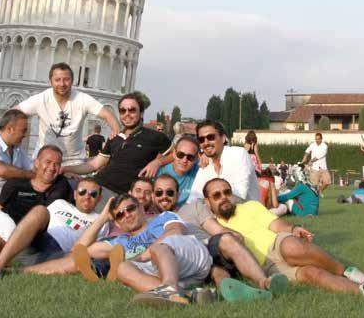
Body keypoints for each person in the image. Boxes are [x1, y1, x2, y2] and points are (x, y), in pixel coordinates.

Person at [203, 178, 364, 299]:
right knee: (311, 274)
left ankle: (349, 271)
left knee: (291, 247)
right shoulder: (210, 226)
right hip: (264, 266)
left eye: (227, 192)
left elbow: (276, 225)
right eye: (217, 195)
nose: (224, 197)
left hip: (278, 243)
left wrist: (293, 228)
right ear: (207, 201)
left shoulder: (250, 206)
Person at [152, 174, 288, 302]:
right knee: (217, 273)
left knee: (225, 242)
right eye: (159, 193)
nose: (164, 197)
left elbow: (218, 230)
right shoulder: (150, 225)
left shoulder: (191, 208)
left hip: (207, 249)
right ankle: (239, 293)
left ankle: (263, 283)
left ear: (178, 194)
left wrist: (235, 238)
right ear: (153, 196)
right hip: (186, 262)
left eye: (169, 193)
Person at [73, 194, 214, 306]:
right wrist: (102, 218)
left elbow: (176, 231)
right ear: (116, 223)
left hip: (188, 258)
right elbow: (82, 250)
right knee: (121, 268)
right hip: (164, 274)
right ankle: (188, 296)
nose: (126, 215)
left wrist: (142, 256)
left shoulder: (163, 217)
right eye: (120, 215)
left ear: (141, 208)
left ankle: (170, 288)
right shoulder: (120, 241)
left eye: (130, 209)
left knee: (159, 247)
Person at [0, 145, 73, 278]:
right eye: (48, 162)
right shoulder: (15, 184)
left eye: (57, 164)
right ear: (36, 163)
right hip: (5, 239)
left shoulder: (62, 186)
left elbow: (69, 218)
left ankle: (1, 266)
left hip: (36, 246)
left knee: (74, 259)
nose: (52, 168)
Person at [68, 92, 170, 202]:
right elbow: (94, 164)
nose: (127, 114)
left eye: (132, 110)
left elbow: (176, 152)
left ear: (141, 113)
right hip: (97, 187)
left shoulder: (154, 136)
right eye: (123, 111)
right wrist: (66, 169)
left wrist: (158, 162)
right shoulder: (115, 137)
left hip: (121, 196)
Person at [16, 62, 120, 170]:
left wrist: (117, 138)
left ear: (72, 81)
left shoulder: (82, 99)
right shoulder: (41, 99)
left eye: (66, 79)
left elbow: (108, 115)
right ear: (50, 81)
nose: (62, 84)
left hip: (73, 161)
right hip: (45, 159)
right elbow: (14, 113)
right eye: (57, 80)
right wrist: (19, 136)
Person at [189, 120, 261, 203]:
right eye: (201, 139)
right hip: (217, 213)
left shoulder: (238, 154)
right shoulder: (205, 164)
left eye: (211, 137)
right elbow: (193, 198)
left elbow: (239, 194)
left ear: (223, 138)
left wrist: (208, 199)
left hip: (247, 212)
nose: (206, 143)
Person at [156, 135, 200, 208]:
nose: (184, 160)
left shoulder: (199, 172)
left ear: (196, 158)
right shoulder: (158, 172)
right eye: (180, 155)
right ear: (174, 153)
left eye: (190, 157)